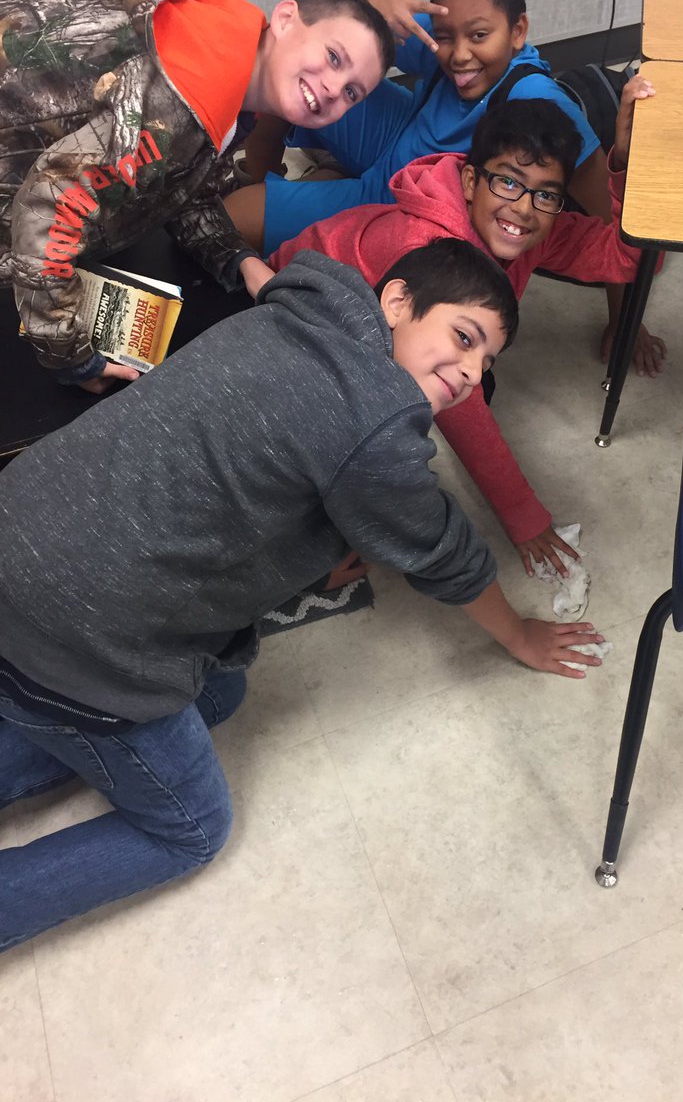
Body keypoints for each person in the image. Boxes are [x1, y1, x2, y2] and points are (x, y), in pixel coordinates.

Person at [0, 238, 603, 950]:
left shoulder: (293, 314)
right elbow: (445, 553)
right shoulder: (372, 420)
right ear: (398, 303)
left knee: (219, 692)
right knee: (192, 828)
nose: (471, 373)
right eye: (464, 339)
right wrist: (519, 636)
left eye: (486, 362)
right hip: (76, 627)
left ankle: (41, 708)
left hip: (20, 529)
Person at [224, 0, 666, 376]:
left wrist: (625, 321)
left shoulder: (538, 101)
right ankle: (268, 172)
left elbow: (616, 219)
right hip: (396, 135)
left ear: (518, 31)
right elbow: (329, 24)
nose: (459, 55)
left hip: (389, 197)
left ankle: (320, 183)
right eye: (447, 36)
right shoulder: (448, 40)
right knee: (302, 74)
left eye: (478, 36)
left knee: (232, 217)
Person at [269, 89, 652, 575]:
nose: (524, 209)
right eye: (509, 182)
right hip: (293, 325)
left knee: (465, 380)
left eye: (546, 193)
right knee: (392, 437)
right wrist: (524, 518)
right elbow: (464, 417)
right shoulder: (429, 252)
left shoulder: (526, 224)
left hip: (358, 322)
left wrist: (626, 163)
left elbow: (627, 259)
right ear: (471, 181)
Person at [0, 0, 395, 393]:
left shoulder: (228, 42)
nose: (335, 89)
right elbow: (50, 204)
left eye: (352, 92)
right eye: (334, 57)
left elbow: (182, 178)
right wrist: (71, 357)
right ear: (285, 19)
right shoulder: (177, 98)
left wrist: (237, 258)